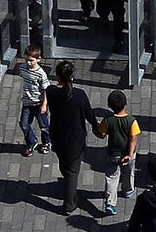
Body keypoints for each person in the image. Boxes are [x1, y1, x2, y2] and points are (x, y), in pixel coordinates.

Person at [46, 61, 94, 215]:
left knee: (65, 165)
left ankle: (65, 177)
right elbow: (90, 116)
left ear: (57, 75)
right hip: (75, 140)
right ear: (72, 76)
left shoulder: (50, 91)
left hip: (57, 136)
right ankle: (69, 204)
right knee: (73, 173)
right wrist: (99, 127)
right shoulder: (79, 95)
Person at [96, 88, 141, 216]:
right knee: (128, 172)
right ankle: (128, 190)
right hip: (128, 154)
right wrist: (130, 154)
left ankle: (110, 203)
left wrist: (96, 127)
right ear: (125, 103)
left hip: (112, 154)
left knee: (111, 177)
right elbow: (134, 137)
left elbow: (102, 134)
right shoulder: (132, 121)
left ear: (109, 105)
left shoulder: (107, 120)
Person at [11, 44, 50, 154]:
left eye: (31, 60)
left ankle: (47, 142)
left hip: (38, 103)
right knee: (24, 124)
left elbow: (46, 90)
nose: (28, 63)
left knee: (44, 126)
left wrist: (44, 105)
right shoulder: (22, 68)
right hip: (27, 102)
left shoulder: (41, 74)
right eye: (26, 60)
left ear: (38, 59)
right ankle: (31, 142)